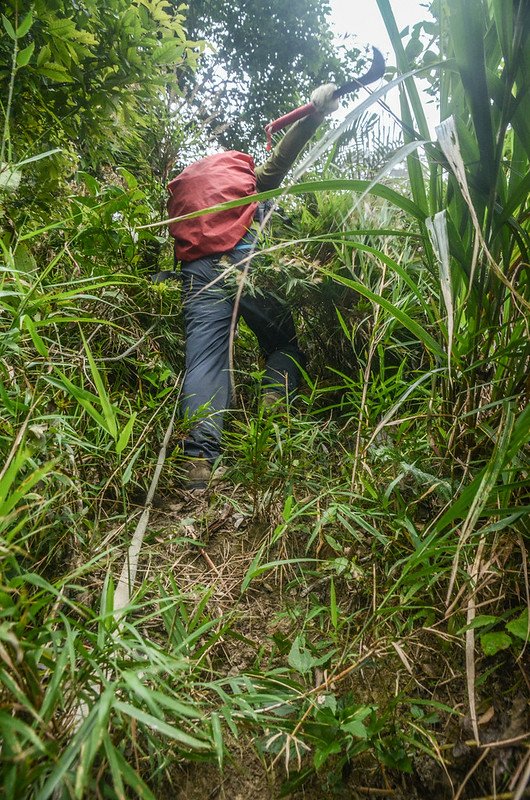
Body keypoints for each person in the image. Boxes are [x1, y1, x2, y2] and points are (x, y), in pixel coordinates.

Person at [166, 84, 339, 488]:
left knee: (205, 361)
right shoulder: (249, 180)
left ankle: (198, 462)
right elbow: (281, 159)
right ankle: (273, 403)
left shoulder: (191, 197)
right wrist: (314, 114)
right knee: (284, 345)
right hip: (244, 261)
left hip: (197, 272)